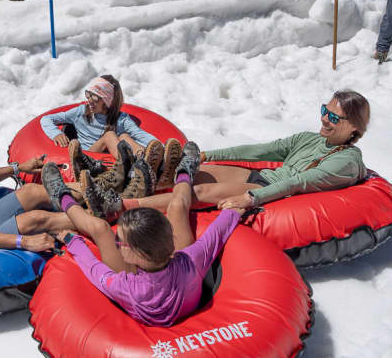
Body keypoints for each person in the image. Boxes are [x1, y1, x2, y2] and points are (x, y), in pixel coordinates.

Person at [41, 143, 244, 327]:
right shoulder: (191, 260)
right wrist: (234, 210)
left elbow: (92, 268)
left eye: (120, 241)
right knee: (177, 205)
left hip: (145, 289)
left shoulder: (122, 286)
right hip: (177, 278)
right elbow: (216, 234)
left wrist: (72, 240)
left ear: (136, 254)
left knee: (101, 229)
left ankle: (63, 197)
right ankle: (184, 172)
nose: (117, 243)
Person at [81, 90, 369, 218]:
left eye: (334, 117)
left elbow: (299, 183)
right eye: (324, 111)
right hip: (264, 175)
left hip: (273, 189)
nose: (324, 119)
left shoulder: (346, 161)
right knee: (191, 170)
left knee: (200, 189)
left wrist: (250, 198)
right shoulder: (309, 138)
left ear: (354, 126)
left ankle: (119, 206)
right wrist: (208, 154)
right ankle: (113, 178)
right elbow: (260, 150)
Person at [40, 75, 183, 196]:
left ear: (107, 101)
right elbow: (46, 119)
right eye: (88, 94)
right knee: (110, 135)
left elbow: (141, 135)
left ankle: (147, 165)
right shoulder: (81, 112)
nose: (89, 99)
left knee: (125, 136)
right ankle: (136, 168)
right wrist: (56, 134)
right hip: (87, 157)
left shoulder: (120, 119)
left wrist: (163, 150)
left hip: (110, 159)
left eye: (95, 97)